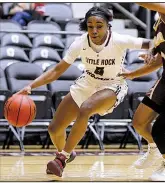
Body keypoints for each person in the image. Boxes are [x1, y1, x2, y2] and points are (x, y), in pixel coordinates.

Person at [16, 6, 152, 177]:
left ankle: (61, 159)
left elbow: (151, 42)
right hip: (87, 82)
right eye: (90, 26)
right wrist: (31, 86)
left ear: (108, 26)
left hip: (113, 84)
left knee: (86, 108)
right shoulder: (80, 42)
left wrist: (152, 52)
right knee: (54, 128)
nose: (94, 30)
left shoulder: (119, 39)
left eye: (99, 25)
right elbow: (57, 70)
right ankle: (67, 151)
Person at [119, 3, 165, 181]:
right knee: (139, 122)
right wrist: (133, 73)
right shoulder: (159, 21)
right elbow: (159, 60)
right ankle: (154, 149)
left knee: (160, 130)